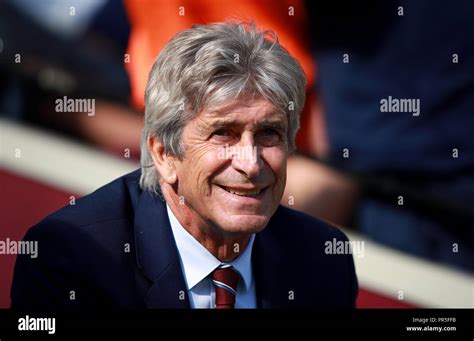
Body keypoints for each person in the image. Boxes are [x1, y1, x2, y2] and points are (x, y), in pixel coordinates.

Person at [10, 22, 358, 309]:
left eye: (269, 133)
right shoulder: (74, 259)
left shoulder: (323, 258)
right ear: (163, 154)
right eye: (223, 133)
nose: (251, 164)